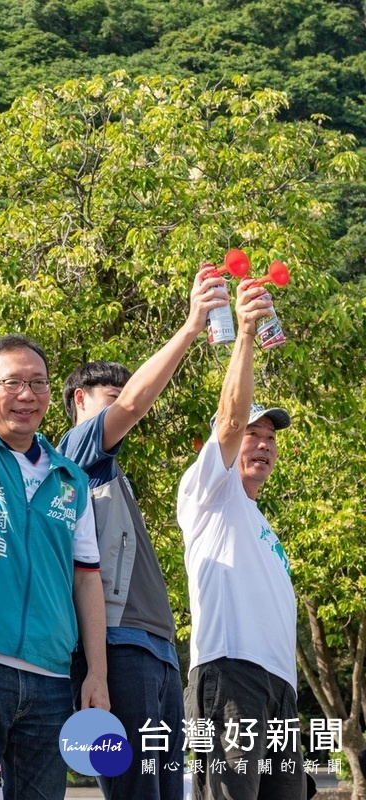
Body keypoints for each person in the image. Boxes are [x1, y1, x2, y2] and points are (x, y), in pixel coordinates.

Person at [58, 269, 230, 800]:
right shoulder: (75, 456)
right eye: (109, 394)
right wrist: (191, 324)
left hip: (156, 649)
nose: (123, 402)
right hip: (116, 643)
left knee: (165, 791)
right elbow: (134, 405)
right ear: (80, 401)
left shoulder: (114, 477)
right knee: (136, 790)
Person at [0, 333, 109, 800]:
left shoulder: (70, 477)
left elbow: (87, 579)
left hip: (49, 678)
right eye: (12, 382)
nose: (27, 395)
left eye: (38, 383)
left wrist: (97, 674)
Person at [177, 280, 300, 800]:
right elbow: (229, 417)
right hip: (231, 675)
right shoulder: (210, 491)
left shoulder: (262, 524)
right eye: (254, 435)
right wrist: (245, 333)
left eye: (271, 439)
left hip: (281, 689)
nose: (264, 445)